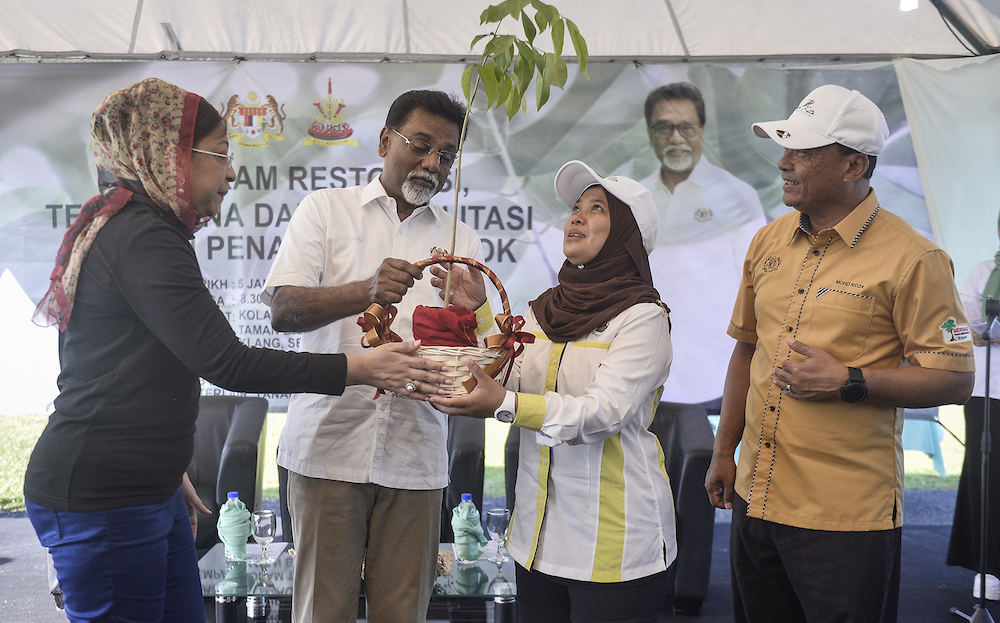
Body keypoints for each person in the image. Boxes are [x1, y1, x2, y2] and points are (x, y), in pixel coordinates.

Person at [23, 78, 449, 623]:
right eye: (220, 155)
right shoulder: (139, 237)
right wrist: (358, 367)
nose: (230, 173)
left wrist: (165, 464)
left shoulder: (146, 231)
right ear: (168, 154)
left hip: (146, 482)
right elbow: (226, 360)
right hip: (104, 491)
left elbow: (109, 362)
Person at [704, 84, 975, 622]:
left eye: (803, 152)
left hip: (846, 519)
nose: (784, 163)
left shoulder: (916, 258)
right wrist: (723, 450)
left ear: (853, 165)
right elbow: (746, 352)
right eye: (786, 149)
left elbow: (954, 378)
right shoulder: (767, 242)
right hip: (757, 501)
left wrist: (850, 379)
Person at [261, 90, 489, 623]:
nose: (433, 164)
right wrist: (364, 289)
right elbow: (284, 310)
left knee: (403, 615)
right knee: (323, 613)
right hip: (328, 448)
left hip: (415, 457)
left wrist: (473, 314)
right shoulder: (325, 210)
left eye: (447, 156)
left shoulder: (462, 240)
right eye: (421, 145)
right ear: (386, 140)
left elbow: (476, 366)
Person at [431, 160, 676, 623]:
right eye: (576, 207)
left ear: (626, 235)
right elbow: (509, 379)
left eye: (596, 208)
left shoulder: (644, 318)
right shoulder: (544, 310)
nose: (576, 217)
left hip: (614, 547)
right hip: (536, 539)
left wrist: (503, 405)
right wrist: (480, 312)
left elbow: (601, 413)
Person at [641, 82, 766, 408]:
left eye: (687, 127)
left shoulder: (737, 197)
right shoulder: (633, 198)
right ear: (649, 134)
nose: (677, 138)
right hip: (640, 372)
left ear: (703, 131)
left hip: (715, 377)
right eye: (664, 128)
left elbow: (762, 286)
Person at [947, 209, 1000, 601]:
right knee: (989, 478)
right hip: (990, 394)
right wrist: (976, 335)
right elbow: (949, 325)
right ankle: (990, 568)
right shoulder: (985, 272)